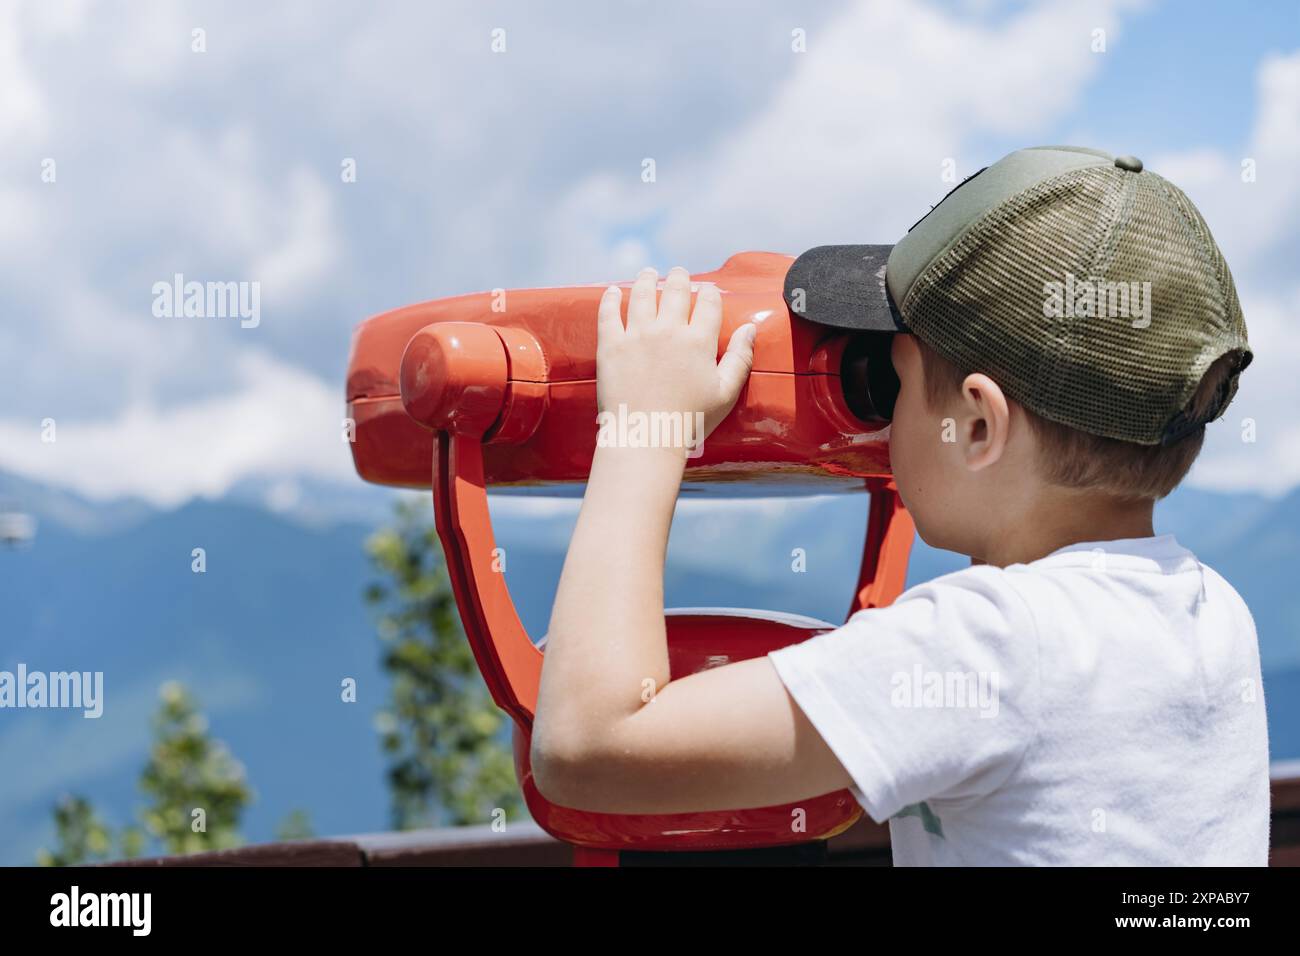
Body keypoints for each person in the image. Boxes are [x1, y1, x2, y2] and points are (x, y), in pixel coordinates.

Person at [530, 145, 1269, 865]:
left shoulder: (989, 644)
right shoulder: (1215, 614)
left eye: (894, 382)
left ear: (977, 426)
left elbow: (588, 748)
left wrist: (644, 427)